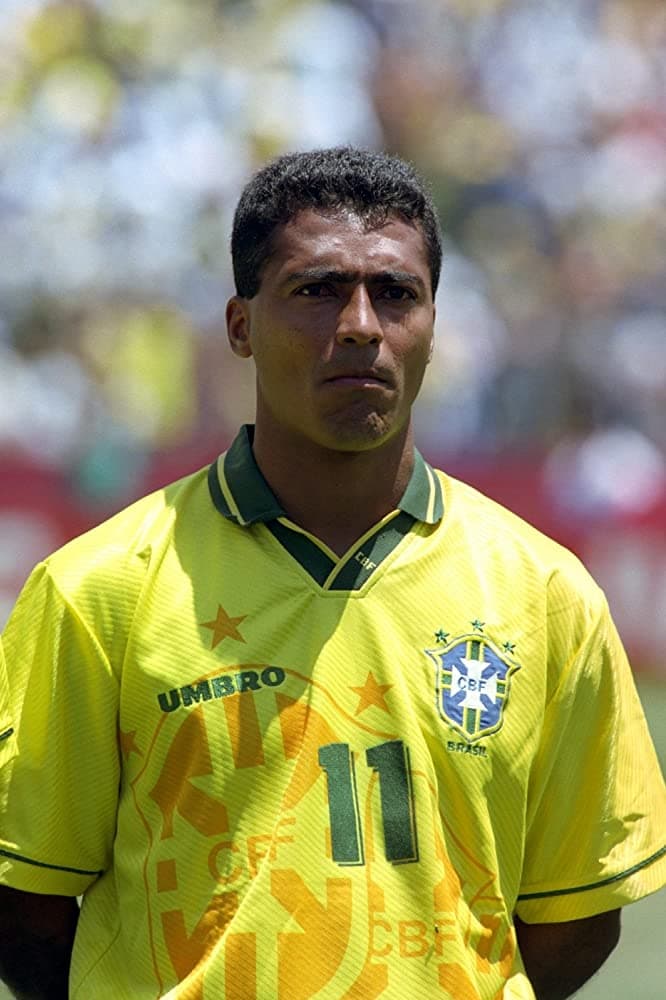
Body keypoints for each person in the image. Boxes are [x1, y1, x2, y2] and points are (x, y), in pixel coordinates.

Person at [0, 147, 664, 1000]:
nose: (359, 324)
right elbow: (25, 907)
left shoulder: (547, 595)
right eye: (317, 290)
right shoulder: (95, 591)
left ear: (434, 326)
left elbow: (575, 916)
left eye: (396, 294)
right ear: (240, 326)